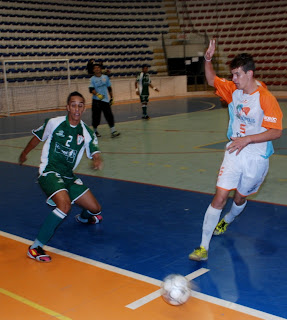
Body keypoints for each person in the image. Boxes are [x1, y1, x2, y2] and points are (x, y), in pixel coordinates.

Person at [189, 39, 283, 261]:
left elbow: (277, 131)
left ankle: (228, 219)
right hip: (233, 150)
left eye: (237, 75)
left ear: (250, 74)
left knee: (239, 198)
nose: (233, 79)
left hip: (256, 156)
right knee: (220, 196)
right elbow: (212, 79)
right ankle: (203, 246)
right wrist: (208, 58)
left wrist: (248, 139)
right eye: (232, 75)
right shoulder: (234, 90)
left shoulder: (265, 98)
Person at [19, 91, 103, 263]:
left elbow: (94, 149)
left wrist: (97, 159)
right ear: (68, 107)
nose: (77, 109)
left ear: (84, 108)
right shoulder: (54, 123)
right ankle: (35, 247)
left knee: (95, 209)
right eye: (73, 105)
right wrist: (25, 153)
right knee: (64, 206)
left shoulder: (87, 132)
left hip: (68, 176)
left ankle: (83, 218)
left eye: (80, 105)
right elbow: (37, 137)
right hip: (49, 171)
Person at [89, 63, 120, 138]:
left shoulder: (105, 77)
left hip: (105, 100)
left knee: (109, 115)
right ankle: (95, 131)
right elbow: (91, 89)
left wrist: (111, 97)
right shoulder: (92, 79)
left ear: (100, 69)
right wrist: (98, 95)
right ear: (93, 70)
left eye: (98, 67)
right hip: (96, 101)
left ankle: (113, 131)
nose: (97, 69)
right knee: (96, 117)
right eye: (95, 68)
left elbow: (109, 87)